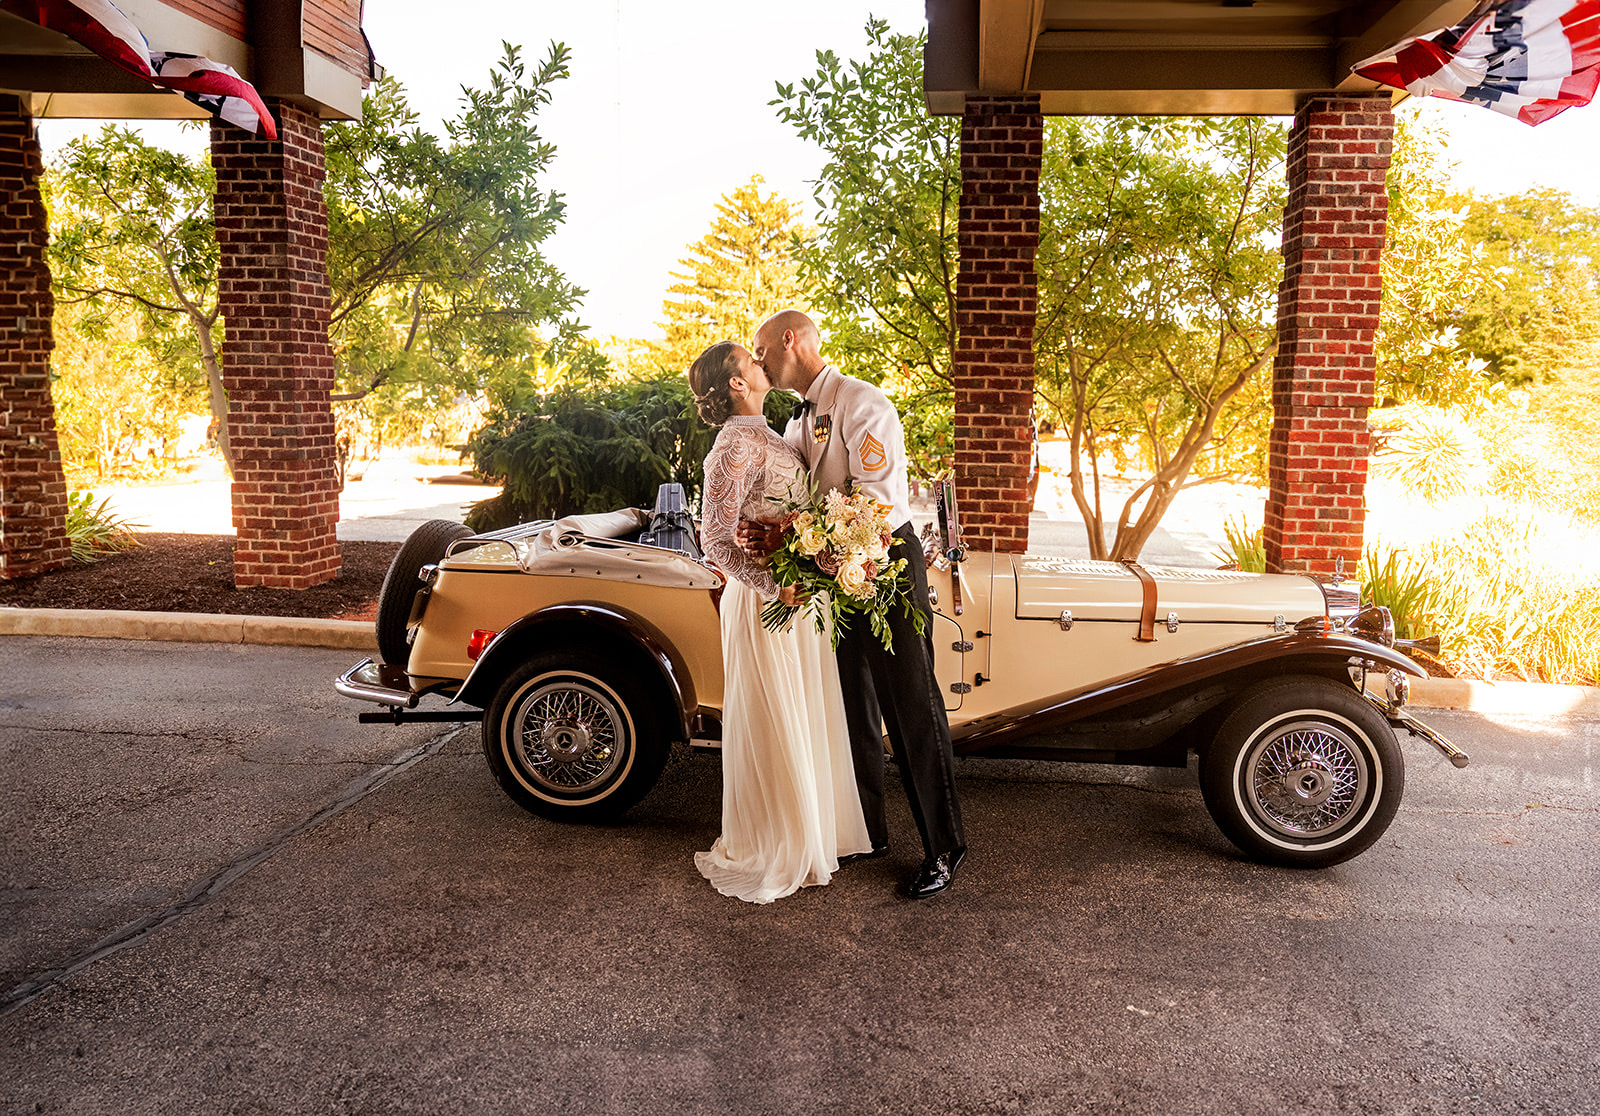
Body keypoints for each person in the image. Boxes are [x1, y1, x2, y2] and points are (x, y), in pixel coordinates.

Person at [742, 310, 968, 899]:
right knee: (851, 709)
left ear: (790, 340)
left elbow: (875, 504)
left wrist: (794, 531)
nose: (758, 359)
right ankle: (868, 832)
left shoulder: (862, 401)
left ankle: (944, 848)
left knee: (911, 707)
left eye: (762, 348)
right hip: (831, 572)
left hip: (886, 564)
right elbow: (800, 496)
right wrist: (773, 533)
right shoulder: (796, 420)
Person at [687, 340, 873, 904]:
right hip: (766, 600)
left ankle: (814, 831)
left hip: (799, 594)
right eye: (750, 359)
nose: (760, 361)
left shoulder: (772, 434)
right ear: (736, 383)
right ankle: (777, 841)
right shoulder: (733, 446)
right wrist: (775, 586)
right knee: (775, 712)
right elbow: (714, 537)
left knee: (805, 707)